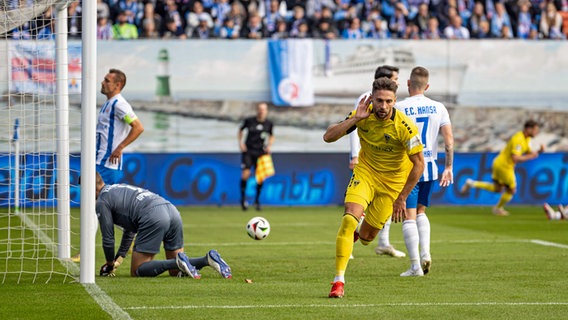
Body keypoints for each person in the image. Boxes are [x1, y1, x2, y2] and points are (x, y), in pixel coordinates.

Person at [324, 78, 424, 298]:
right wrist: (354, 120)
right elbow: (328, 137)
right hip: (366, 173)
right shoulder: (363, 115)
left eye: (388, 101)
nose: (383, 106)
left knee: (368, 238)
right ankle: (338, 281)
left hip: (392, 186)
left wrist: (402, 197)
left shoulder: (405, 126)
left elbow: (419, 164)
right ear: (372, 98)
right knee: (349, 219)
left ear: (395, 101)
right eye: (379, 100)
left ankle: (359, 234)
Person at [94, 172, 233, 278]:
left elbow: (108, 238)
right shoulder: (117, 188)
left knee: (137, 271)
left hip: (153, 215)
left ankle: (178, 261)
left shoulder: (102, 201)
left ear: (92, 187)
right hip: (171, 210)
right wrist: (119, 258)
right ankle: (207, 259)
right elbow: (130, 230)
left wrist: (109, 264)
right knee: (175, 272)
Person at [395, 66, 454, 277]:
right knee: (421, 212)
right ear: (427, 86)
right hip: (430, 168)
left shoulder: (399, 107)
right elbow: (448, 141)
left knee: (408, 217)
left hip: (408, 169)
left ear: (408, 83)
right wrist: (448, 167)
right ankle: (426, 253)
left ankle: (415, 267)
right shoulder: (439, 107)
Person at [348, 65, 406, 259]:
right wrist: (354, 155)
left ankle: (383, 242)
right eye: (395, 78)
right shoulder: (367, 100)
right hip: (369, 162)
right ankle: (348, 239)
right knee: (358, 206)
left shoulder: (389, 102)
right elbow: (355, 126)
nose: (398, 81)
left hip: (387, 166)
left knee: (383, 204)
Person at [461, 120, 544, 216]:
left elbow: (530, 153)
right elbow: (515, 158)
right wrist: (531, 156)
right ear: (528, 129)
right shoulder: (518, 139)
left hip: (499, 163)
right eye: (535, 129)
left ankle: (471, 183)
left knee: (498, 189)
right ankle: (497, 208)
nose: (536, 132)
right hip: (505, 166)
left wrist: (539, 151)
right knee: (512, 190)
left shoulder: (527, 139)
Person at [96, 68, 144, 185]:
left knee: (103, 201)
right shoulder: (108, 103)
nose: (102, 83)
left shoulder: (119, 104)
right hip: (99, 160)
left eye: (107, 81)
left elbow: (138, 127)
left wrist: (120, 147)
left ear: (117, 85)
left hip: (107, 162)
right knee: (92, 200)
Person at [238, 102, 275, 211]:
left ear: (266, 111)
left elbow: (272, 136)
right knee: (246, 174)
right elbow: (240, 130)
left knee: (260, 177)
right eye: (260, 109)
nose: (261, 111)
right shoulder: (250, 121)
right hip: (249, 151)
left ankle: (257, 201)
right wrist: (240, 143)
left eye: (264, 109)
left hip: (261, 152)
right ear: (257, 110)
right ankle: (243, 200)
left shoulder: (269, 123)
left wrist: (269, 146)